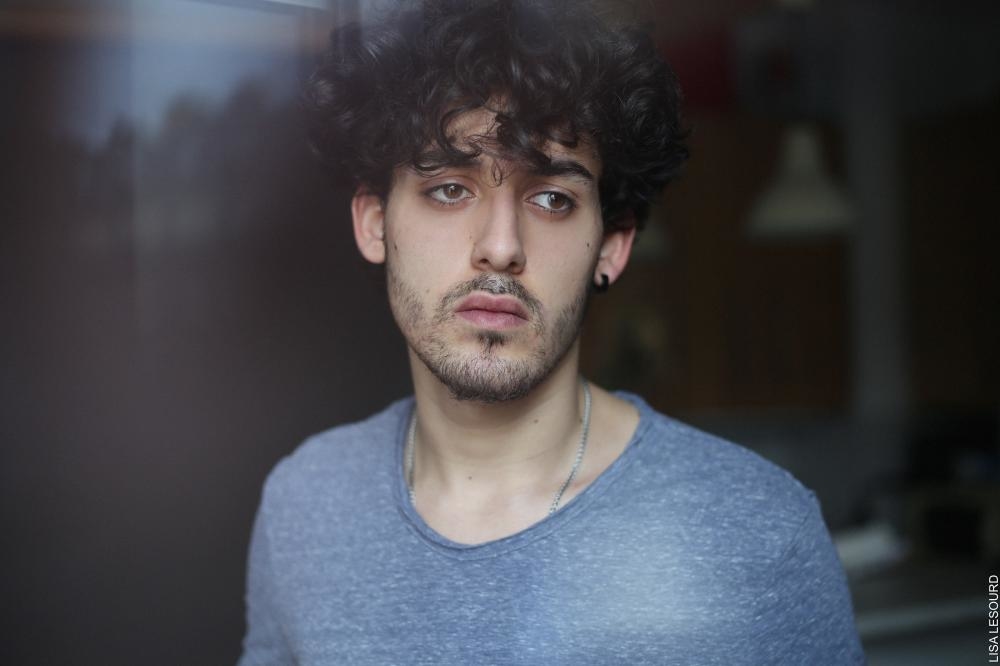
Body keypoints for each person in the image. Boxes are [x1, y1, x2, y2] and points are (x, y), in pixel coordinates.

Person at [238, 0, 864, 663]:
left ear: (611, 246)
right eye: (449, 188)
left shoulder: (759, 531)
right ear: (374, 224)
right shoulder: (305, 503)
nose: (500, 247)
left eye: (552, 198)